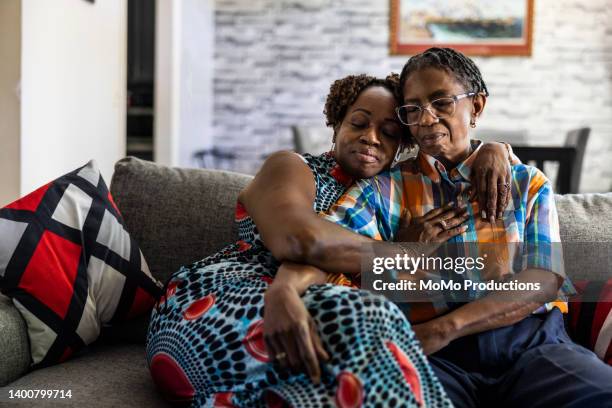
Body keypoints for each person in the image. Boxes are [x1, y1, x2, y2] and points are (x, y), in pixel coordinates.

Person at [145, 73, 514, 407]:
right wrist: (401, 252)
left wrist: (494, 148)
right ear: (336, 124)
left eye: (388, 132)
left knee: (355, 370)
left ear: (402, 145)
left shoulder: (390, 198)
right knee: (370, 317)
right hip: (221, 301)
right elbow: (298, 238)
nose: (371, 137)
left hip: (315, 309)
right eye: (359, 123)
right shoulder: (292, 166)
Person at [322, 47, 612, 407]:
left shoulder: (525, 183)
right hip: (433, 358)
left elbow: (543, 279)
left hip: (532, 344)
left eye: (441, 102)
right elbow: (327, 252)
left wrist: (444, 328)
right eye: (413, 109)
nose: (426, 119)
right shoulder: (382, 191)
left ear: (476, 106)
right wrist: (403, 253)